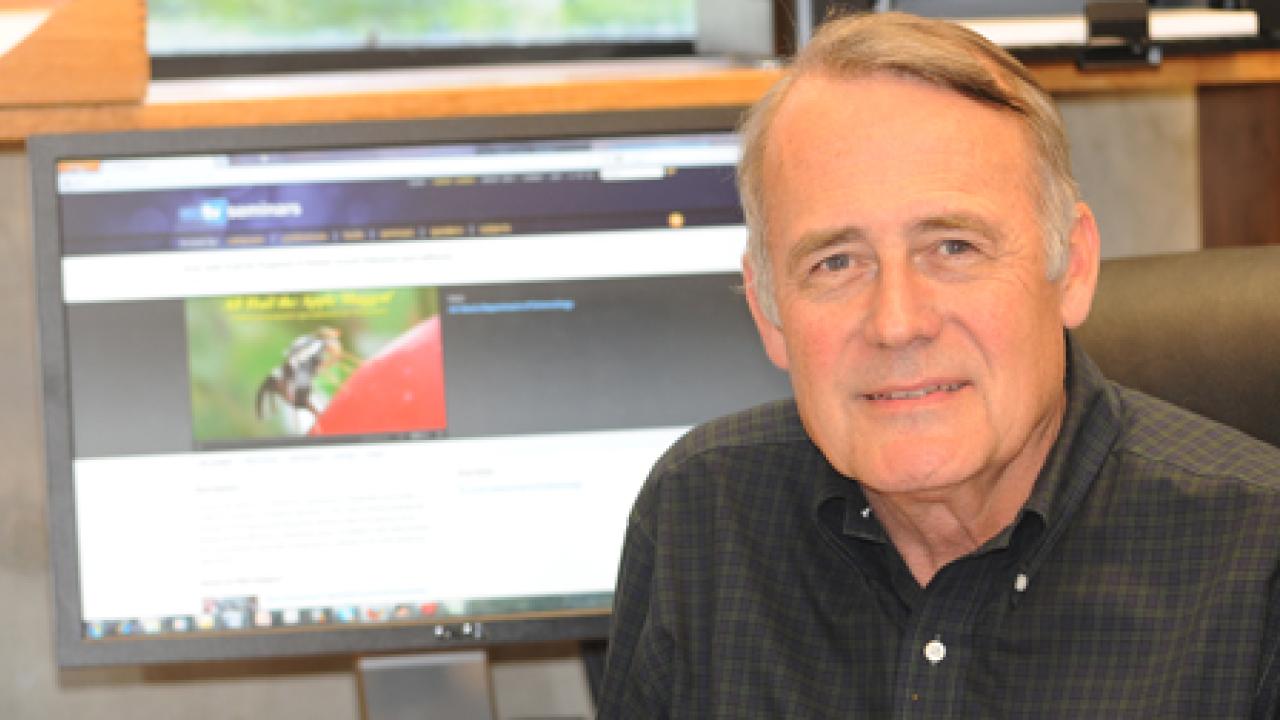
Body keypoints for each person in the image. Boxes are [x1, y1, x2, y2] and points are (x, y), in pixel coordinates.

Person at [598, 11, 1280, 718]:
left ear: (1073, 267)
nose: (898, 323)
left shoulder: (1259, 564)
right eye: (837, 262)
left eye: (954, 248)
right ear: (769, 310)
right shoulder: (701, 516)